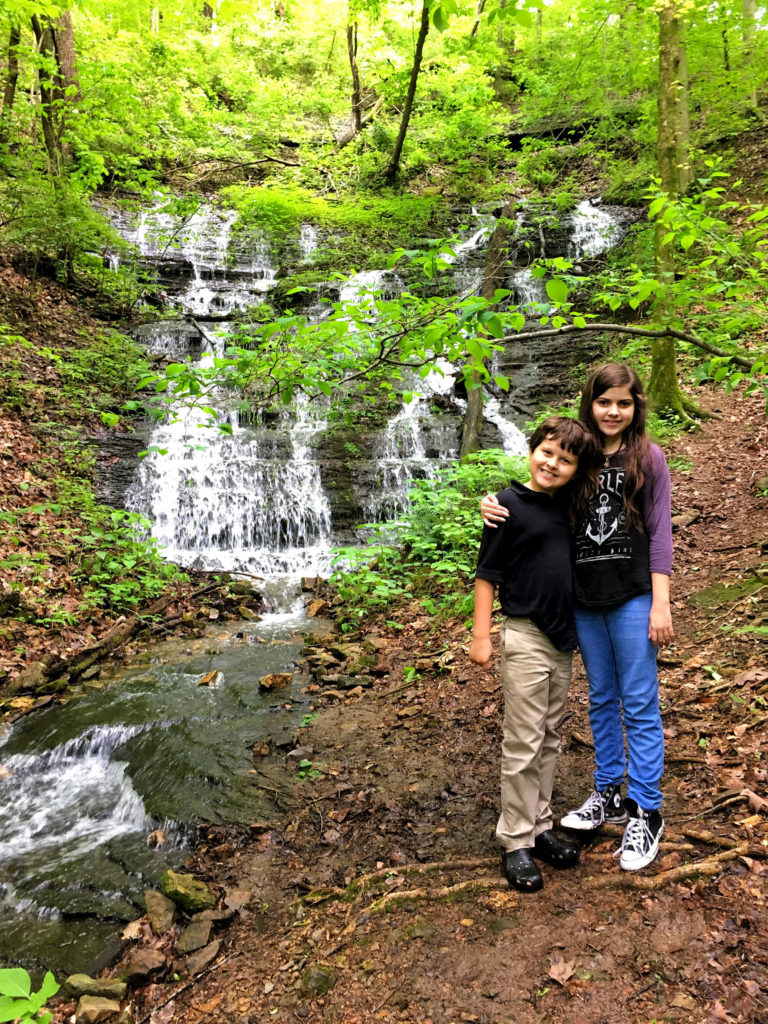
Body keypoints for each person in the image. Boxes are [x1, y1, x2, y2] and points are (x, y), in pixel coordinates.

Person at [481, 363, 674, 872]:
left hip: (633, 596)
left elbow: (658, 532)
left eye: (624, 403)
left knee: (639, 701)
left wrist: (662, 600)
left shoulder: (647, 458)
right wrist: (493, 504)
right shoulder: (581, 459)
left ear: (636, 407)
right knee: (602, 700)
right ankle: (609, 792)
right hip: (584, 603)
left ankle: (646, 808)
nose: (613, 411)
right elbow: (539, 495)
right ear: (589, 402)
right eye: (604, 401)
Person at [469, 415, 598, 893]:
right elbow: (487, 574)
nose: (553, 463)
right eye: (547, 452)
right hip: (524, 634)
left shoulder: (569, 506)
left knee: (548, 737)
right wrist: (482, 636)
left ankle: (541, 825)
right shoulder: (506, 506)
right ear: (531, 450)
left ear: (574, 470)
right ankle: (515, 839)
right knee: (522, 740)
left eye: (565, 460)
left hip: (563, 640)